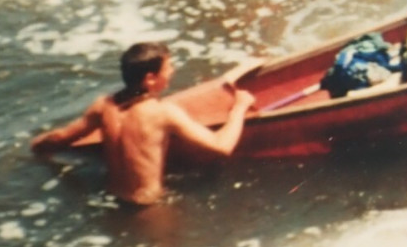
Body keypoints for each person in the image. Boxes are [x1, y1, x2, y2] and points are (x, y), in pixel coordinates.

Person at [31, 41, 253, 206]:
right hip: (146, 207)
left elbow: (58, 139)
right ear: (150, 79)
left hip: (110, 201)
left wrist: (34, 147)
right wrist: (240, 107)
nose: (173, 71)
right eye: (168, 68)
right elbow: (222, 146)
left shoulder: (102, 106)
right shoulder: (162, 113)